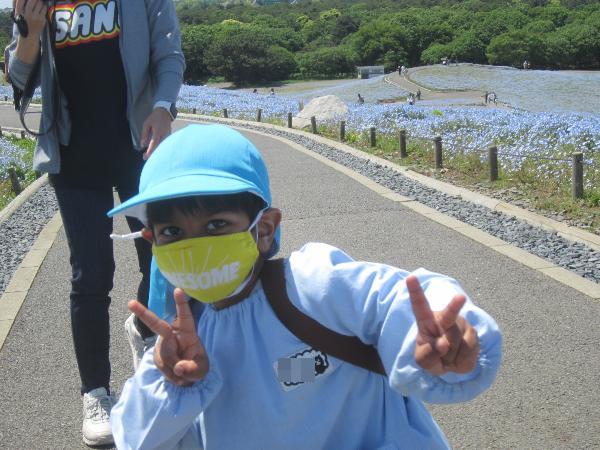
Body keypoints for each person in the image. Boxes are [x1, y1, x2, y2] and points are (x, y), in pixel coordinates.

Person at [108, 124, 503, 449]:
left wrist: (440, 333)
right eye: (173, 232)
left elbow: (390, 297)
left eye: (216, 225)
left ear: (264, 229)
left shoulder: (310, 285)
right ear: (152, 242)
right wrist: (170, 383)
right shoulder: (181, 338)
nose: (195, 246)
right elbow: (136, 439)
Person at [7, 0, 184, 446]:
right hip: (73, 156)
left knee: (163, 259)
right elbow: (18, 76)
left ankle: (143, 330)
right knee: (91, 275)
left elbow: (169, 53)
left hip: (138, 148)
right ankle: (96, 392)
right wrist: (30, 30)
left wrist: (163, 106)